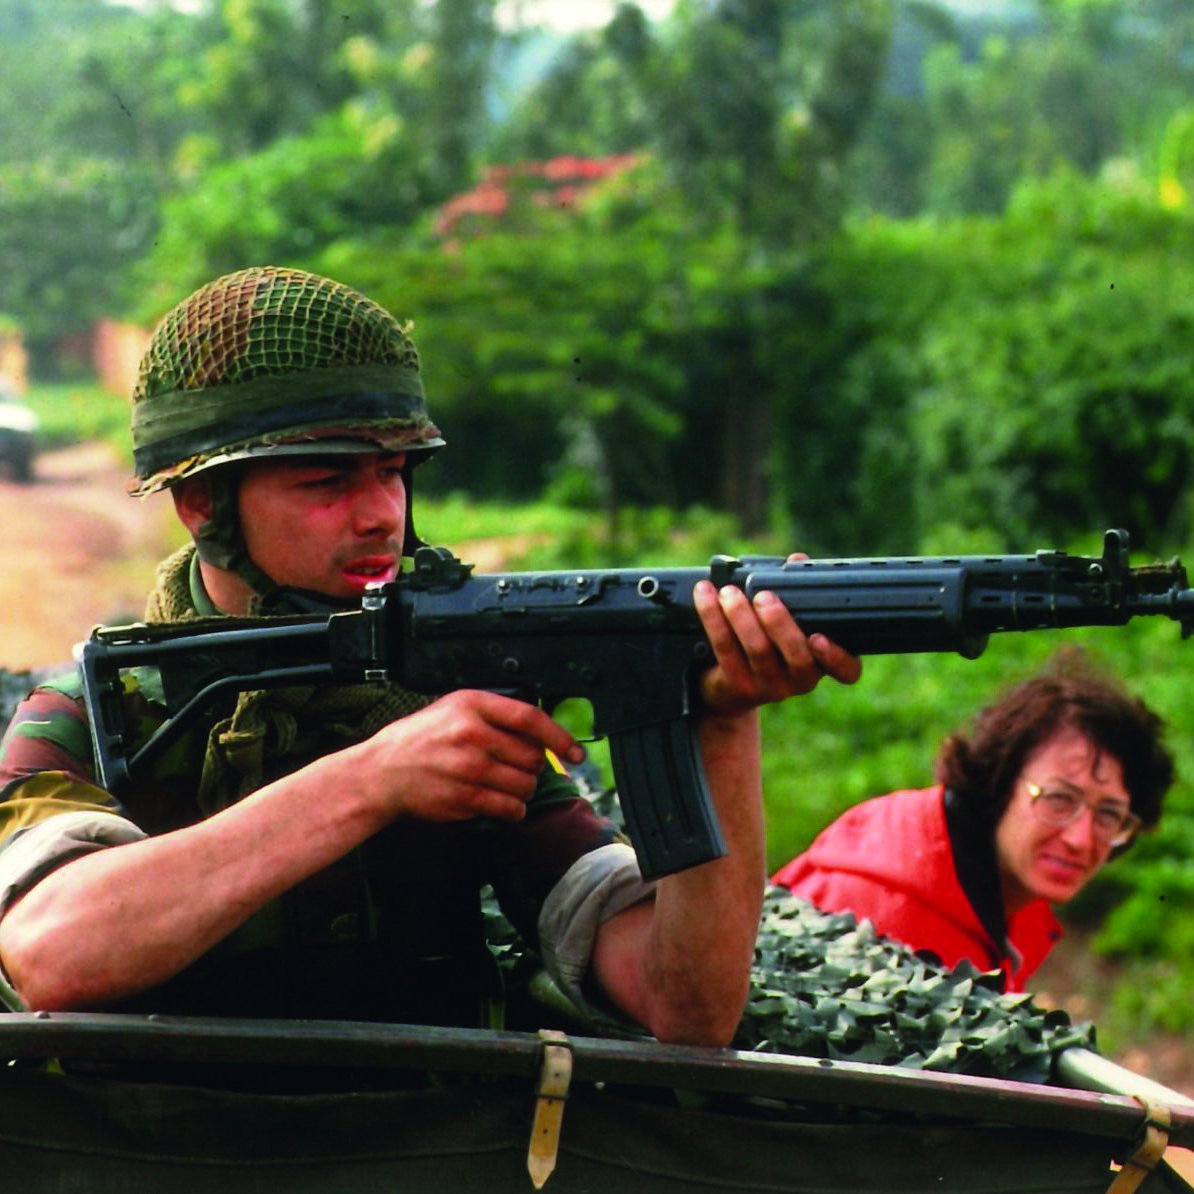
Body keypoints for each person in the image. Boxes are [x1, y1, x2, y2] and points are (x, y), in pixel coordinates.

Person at [0, 266, 861, 1045]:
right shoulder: (90, 714)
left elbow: (685, 1006)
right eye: (327, 481)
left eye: (394, 471)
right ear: (201, 505)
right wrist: (373, 779)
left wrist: (718, 722)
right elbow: (53, 950)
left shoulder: (439, 695)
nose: (380, 513)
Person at [771, 651, 1173, 992]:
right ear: (1000, 782)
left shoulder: (1006, 894)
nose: (1080, 838)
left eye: (1109, 815)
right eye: (1058, 800)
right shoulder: (885, 920)